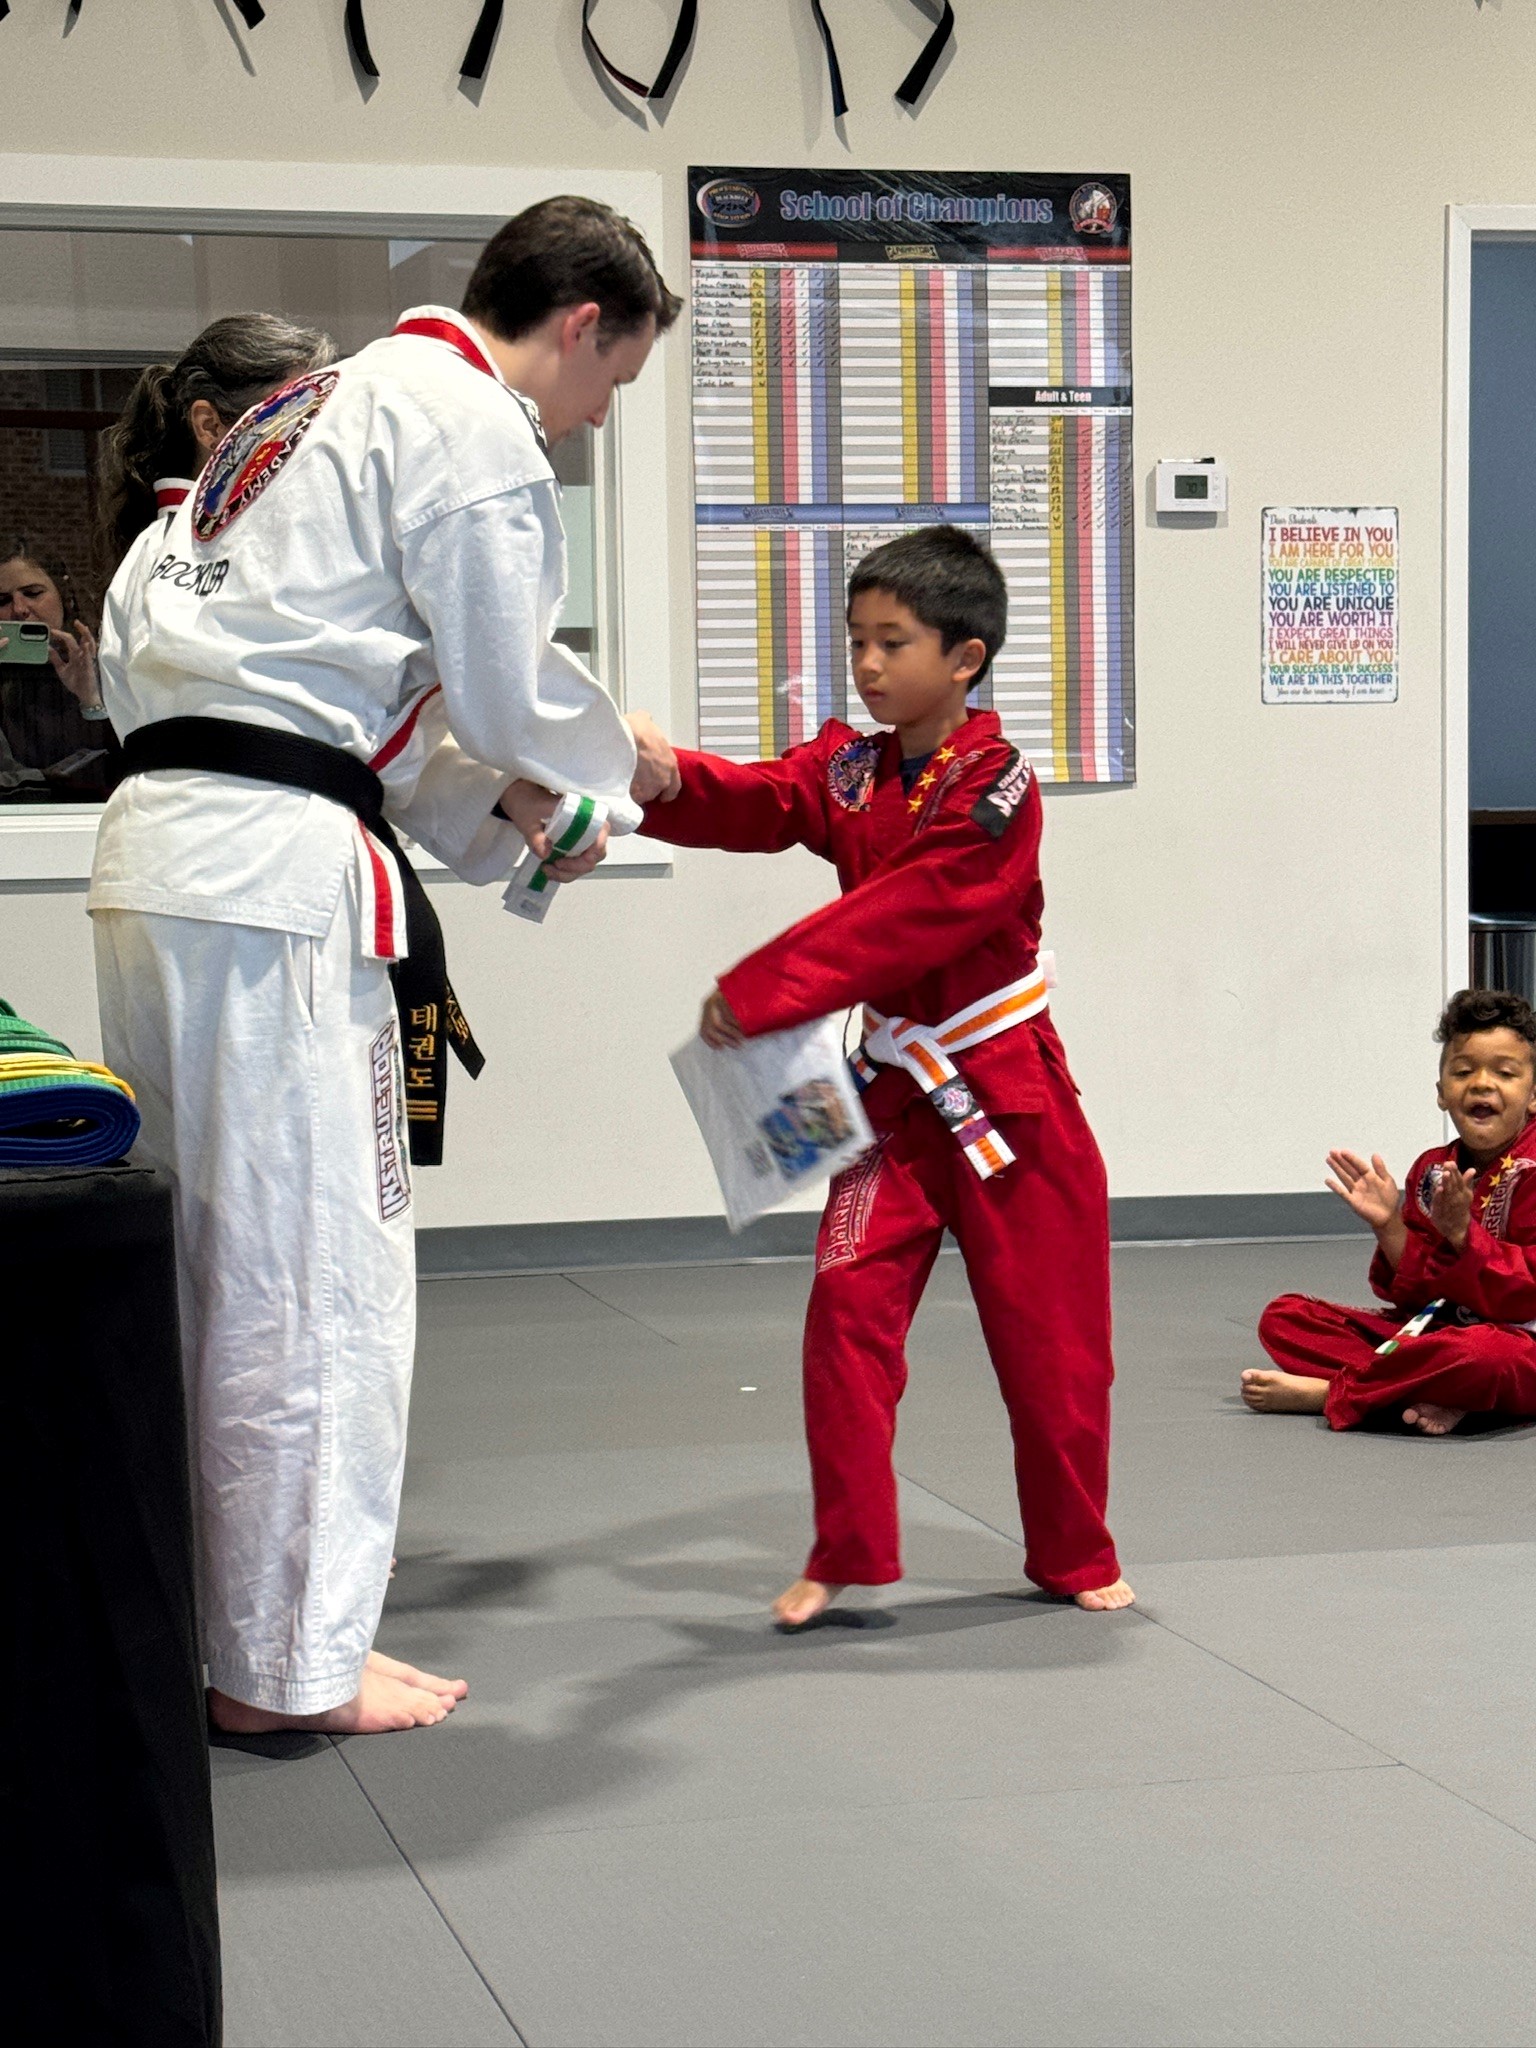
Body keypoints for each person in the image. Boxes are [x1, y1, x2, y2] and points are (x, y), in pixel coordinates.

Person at [92, 195, 683, 1735]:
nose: (593, 411)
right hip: (278, 884)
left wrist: (517, 822)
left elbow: (362, 705)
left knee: (200, 1274)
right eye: (611, 379)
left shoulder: (296, 414)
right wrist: (619, 770)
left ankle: (224, 1637)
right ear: (579, 326)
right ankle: (290, 1671)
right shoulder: (465, 421)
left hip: (161, 860)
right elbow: (496, 686)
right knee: (309, 1282)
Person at [641, 526, 1133, 1625]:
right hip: (882, 1095)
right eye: (857, 640)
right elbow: (762, 796)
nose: (866, 664)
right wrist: (661, 776)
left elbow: (918, 910)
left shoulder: (996, 785)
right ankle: (850, 1543)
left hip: (1008, 1094)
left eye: (892, 642)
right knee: (844, 1310)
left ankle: (1073, 1548)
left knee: (1052, 1347)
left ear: (964, 656)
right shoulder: (852, 767)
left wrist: (769, 985)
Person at [1245, 987, 1536, 1434]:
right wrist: (1388, 1225)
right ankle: (1434, 1391)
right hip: (1440, 1334)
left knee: (1485, 1357)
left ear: (1534, 1095)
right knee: (1285, 1318)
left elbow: (1524, 1297)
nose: (1481, 1083)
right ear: (1442, 1093)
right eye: (1463, 1071)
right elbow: (1417, 1297)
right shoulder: (1431, 1169)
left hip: (1517, 1344)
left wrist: (1463, 1235)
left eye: (1504, 1072)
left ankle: (1334, 1393)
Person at [96, 312, 340, 571]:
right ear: (209, 426)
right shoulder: (169, 559)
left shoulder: (281, 539)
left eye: (316, 416)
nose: (308, 438)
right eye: (287, 418)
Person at [0, 543, 111, 796]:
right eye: (3, 600)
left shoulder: (102, 664)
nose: (19, 609)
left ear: (63, 592)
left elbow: (119, 769)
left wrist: (91, 701)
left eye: (33, 593)